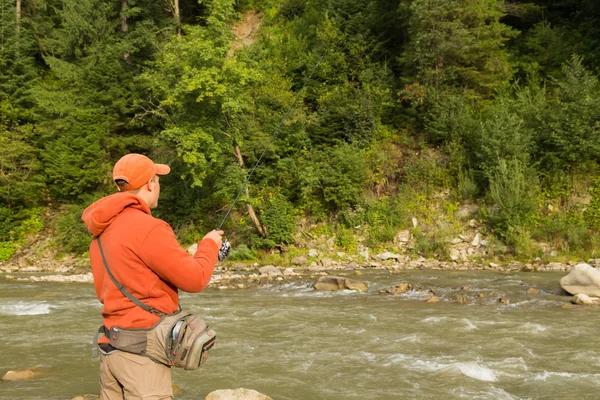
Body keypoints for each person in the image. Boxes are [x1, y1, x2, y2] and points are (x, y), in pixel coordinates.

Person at [82, 153, 223, 400]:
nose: (158, 185)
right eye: (157, 180)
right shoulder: (149, 227)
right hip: (141, 356)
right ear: (150, 183)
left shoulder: (101, 232)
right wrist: (209, 245)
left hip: (110, 349)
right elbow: (196, 279)